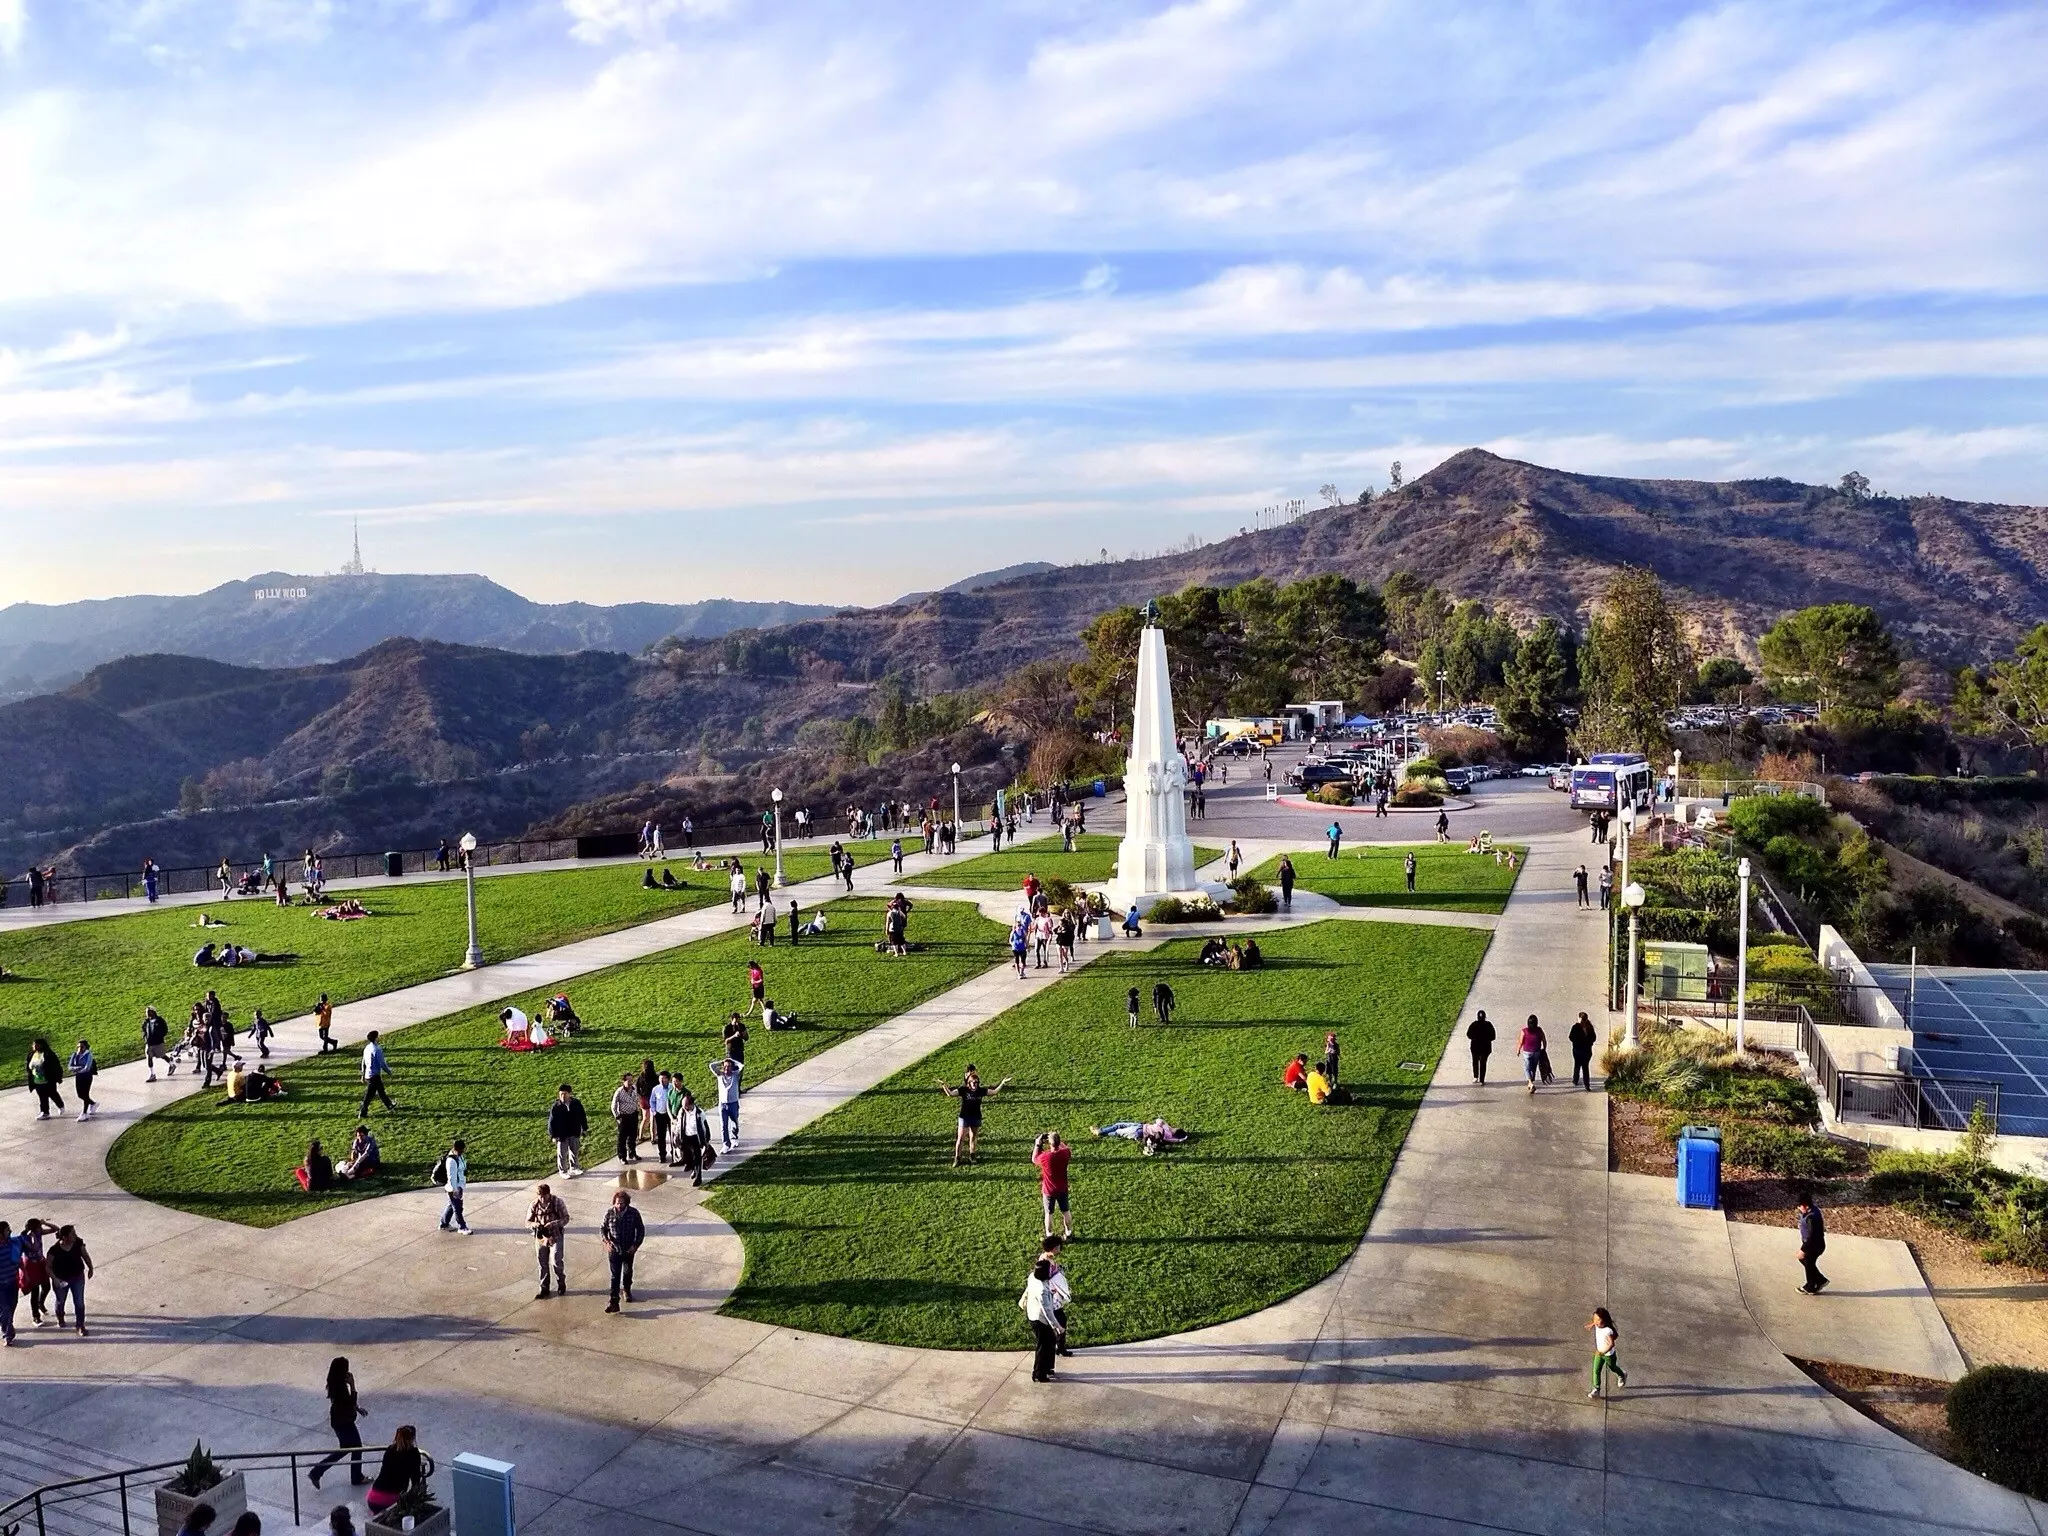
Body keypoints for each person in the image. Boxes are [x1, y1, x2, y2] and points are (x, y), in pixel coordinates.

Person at [308, 1356, 368, 1488]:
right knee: (357, 1448)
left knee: (346, 1448)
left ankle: (316, 1472)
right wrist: (353, 1385)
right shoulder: (341, 1387)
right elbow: (348, 1403)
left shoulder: (336, 1384)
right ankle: (356, 1477)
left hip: (338, 1421)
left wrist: (357, 1408)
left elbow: (346, 1403)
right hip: (345, 1422)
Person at [939, 1065, 1010, 1166]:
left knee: (973, 1137)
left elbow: (994, 1092)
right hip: (964, 1117)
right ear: (969, 1083)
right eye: (973, 1082)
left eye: (977, 1082)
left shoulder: (981, 1091)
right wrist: (944, 1085)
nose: (975, 1084)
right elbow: (950, 1094)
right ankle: (957, 1158)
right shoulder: (963, 1090)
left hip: (976, 1117)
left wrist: (1002, 1083)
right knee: (960, 1138)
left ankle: (972, 1156)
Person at [365, 1425, 426, 1522]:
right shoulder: (413, 1454)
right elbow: (415, 1480)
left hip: (373, 1497)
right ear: (413, 1438)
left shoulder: (390, 1449)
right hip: (391, 1499)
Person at [601, 1189, 645, 1312]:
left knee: (627, 1271)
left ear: (627, 1203)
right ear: (614, 1203)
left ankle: (626, 1289)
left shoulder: (634, 1213)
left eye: (622, 1203)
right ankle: (613, 1301)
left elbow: (641, 1230)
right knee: (615, 1276)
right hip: (614, 1249)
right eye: (617, 1203)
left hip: (628, 1249)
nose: (619, 1205)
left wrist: (635, 1246)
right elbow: (603, 1229)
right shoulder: (609, 1213)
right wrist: (607, 1242)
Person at [1021, 1259, 1062, 1382]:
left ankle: (1048, 1367)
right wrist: (1057, 1326)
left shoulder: (1033, 1278)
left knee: (1050, 1342)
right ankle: (1039, 1374)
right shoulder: (1042, 1290)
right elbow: (1047, 1311)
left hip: (1034, 1313)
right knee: (1043, 1346)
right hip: (1039, 1319)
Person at [48, 1224, 92, 1335]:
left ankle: (80, 1325)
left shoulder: (78, 1243)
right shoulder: (54, 1250)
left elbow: (85, 1255)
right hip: (61, 1279)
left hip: (77, 1277)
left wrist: (90, 1267)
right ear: (65, 1237)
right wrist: (55, 1279)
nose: (75, 1235)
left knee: (79, 1302)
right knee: (60, 1301)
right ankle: (60, 1316)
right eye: (72, 1234)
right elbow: (48, 1267)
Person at [529, 1183, 569, 1298]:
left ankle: (561, 1284)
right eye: (539, 1196)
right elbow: (527, 1222)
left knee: (556, 1261)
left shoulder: (557, 1202)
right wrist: (535, 1224)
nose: (542, 1199)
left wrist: (554, 1224)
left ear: (549, 1194)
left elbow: (566, 1218)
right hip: (541, 1238)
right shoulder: (534, 1205)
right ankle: (544, 1288)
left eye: (544, 1196)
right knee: (542, 1263)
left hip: (556, 1236)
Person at [1033, 1132, 1074, 1240]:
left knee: (1048, 1213)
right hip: (1062, 1188)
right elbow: (1063, 1146)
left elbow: (1034, 1159)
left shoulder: (1045, 1157)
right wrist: (1056, 1140)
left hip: (1049, 1190)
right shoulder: (1065, 1152)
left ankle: (1049, 1235)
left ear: (1049, 1144)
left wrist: (1037, 1144)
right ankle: (1069, 1233)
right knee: (1066, 1211)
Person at [1587, 1307, 1628, 1399]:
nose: (1596, 1322)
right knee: (1596, 1370)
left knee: (1612, 1368)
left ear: (1604, 1321)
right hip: (1599, 1353)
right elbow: (1596, 1322)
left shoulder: (1608, 1331)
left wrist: (1604, 1352)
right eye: (1594, 1319)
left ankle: (1622, 1374)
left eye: (1598, 1320)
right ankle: (1596, 1389)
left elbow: (1611, 1344)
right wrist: (1591, 1324)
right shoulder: (1598, 1325)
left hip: (1609, 1355)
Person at [549, 1083, 587, 1176]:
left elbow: (582, 1115)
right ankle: (563, 1171)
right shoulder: (556, 1107)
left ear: (570, 1094)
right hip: (562, 1134)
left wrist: (584, 1127)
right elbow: (551, 1122)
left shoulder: (576, 1103)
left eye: (565, 1094)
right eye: (561, 1094)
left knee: (574, 1151)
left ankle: (574, 1167)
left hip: (574, 1131)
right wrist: (553, 1135)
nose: (562, 1096)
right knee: (562, 1154)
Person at [1796, 1194, 1830, 1293]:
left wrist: (1803, 1249)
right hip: (1815, 1244)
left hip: (1814, 1245)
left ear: (1806, 1206)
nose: (1798, 1208)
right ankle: (1820, 1281)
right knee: (1808, 1262)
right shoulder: (1813, 1211)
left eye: (1800, 1206)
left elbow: (1812, 1236)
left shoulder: (1811, 1218)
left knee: (1807, 1260)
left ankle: (1810, 1286)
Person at [25, 1037, 65, 1118]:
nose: (35, 1046)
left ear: (42, 1045)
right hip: (37, 1080)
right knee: (42, 1097)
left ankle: (60, 1105)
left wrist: (58, 1077)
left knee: (52, 1093)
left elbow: (56, 1066)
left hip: (48, 1079)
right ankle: (45, 1112)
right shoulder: (32, 1054)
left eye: (37, 1045)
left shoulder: (48, 1054)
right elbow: (29, 1065)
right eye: (34, 1045)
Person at [674, 1085, 706, 1184]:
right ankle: (693, 1170)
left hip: (695, 1138)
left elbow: (704, 1128)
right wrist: (676, 1135)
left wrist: (705, 1141)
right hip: (685, 1137)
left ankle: (698, 1177)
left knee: (697, 1157)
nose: (684, 1108)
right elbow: (679, 1124)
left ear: (691, 1104)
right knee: (689, 1157)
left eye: (686, 1106)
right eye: (683, 1106)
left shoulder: (699, 1114)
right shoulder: (682, 1112)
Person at [709, 1055, 743, 1150]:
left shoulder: (735, 1075)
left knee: (734, 1122)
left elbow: (741, 1066)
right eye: (725, 1066)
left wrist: (732, 1060)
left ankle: (734, 1138)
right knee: (723, 1125)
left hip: (733, 1103)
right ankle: (726, 1144)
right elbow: (711, 1066)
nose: (726, 1068)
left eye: (729, 1066)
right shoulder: (720, 1075)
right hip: (722, 1104)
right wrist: (721, 1061)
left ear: (732, 1067)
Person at [358, 1031, 395, 1116]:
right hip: (374, 1075)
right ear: (376, 1038)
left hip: (368, 1075)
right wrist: (389, 1071)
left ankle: (389, 1105)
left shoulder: (367, 1048)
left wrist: (363, 1075)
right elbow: (382, 1063)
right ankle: (362, 1112)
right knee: (369, 1095)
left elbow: (363, 1062)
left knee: (381, 1091)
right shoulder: (377, 1050)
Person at [439, 1138, 471, 1233]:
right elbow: (451, 1177)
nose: (463, 1151)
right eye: (462, 1149)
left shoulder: (459, 1157)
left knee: (451, 1206)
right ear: (457, 1149)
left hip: (459, 1185)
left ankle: (444, 1224)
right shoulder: (451, 1161)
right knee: (458, 1208)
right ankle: (462, 1227)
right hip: (453, 1188)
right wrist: (455, 1190)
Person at [611, 1074, 643, 1165]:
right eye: (628, 1081)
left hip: (633, 1115)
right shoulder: (619, 1092)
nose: (630, 1083)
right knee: (622, 1138)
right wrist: (617, 1117)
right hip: (624, 1117)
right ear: (623, 1081)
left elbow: (637, 1098)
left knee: (633, 1136)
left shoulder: (634, 1089)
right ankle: (622, 1157)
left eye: (631, 1081)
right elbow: (613, 1106)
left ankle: (632, 1153)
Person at [68, 1039, 98, 1120]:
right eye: (78, 1047)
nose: (79, 1049)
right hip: (78, 1076)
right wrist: (78, 1068)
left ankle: (84, 1113)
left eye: (82, 1047)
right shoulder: (74, 1055)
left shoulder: (89, 1055)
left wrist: (76, 1069)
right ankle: (93, 1103)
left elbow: (87, 1068)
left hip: (87, 1076)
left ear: (86, 1047)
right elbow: (70, 1067)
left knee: (85, 1094)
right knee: (80, 1095)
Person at [1568, 1012, 1598, 1090]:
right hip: (1587, 1050)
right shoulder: (1590, 1027)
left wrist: (1577, 1042)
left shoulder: (1575, 1027)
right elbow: (1594, 1038)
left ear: (1580, 1018)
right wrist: (1589, 1043)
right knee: (1585, 1067)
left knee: (1577, 1065)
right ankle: (1586, 1085)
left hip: (1578, 1049)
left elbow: (1571, 1037)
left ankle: (1575, 1080)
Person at [1518, 1015, 1547, 1094]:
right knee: (1533, 1067)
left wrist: (1518, 1050)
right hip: (1537, 1051)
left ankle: (1530, 1083)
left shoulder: (1524, 1031)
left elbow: (1521, 1042)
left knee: (1527, 1068)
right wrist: (1544, 1049)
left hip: (1527, 1052)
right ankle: (1531, 1083)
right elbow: (1544, 1040)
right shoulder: (1539, 1030)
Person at [650, 1071, 674, 1162]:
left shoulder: (672, 1087)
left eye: (664, 1078)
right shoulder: (656, 1089)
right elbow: (652, 1101)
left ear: (668, 1079)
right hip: (660, 1114)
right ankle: (662, 1155)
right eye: (660, 1078)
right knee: (661, 1136)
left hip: (670, 1114)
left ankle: (674, 1153)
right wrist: (654, 1111)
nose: (662, 1080)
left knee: (673, 1135)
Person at [143, 1006, 172, 1081]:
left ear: (153, 1011)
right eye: (146, 1012)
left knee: (162, 1056)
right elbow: (144, 1030)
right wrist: (145, 1038)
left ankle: (172, 1065)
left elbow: (165, 1029)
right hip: (149, 1043)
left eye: (148, 1011)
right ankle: (152, 1074)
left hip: (158, 1043)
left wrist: (160, 1036)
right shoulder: (146, 1022)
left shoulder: (159, 1020)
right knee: (149, 1058)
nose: (147, 1013)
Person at [1466, 1010, 1496, 1084]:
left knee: (1475, 1062)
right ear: (1485, 1017)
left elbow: (1468, 1034)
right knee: (1483, 1063)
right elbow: (1493, 1036)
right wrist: (1487, 1039)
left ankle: (1476, 1076)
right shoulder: (1489, 1025)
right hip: (1485, 1047)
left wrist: (1475, 1038)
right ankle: (1482, 1079)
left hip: (1475, 1047)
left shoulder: (1473, 1024)